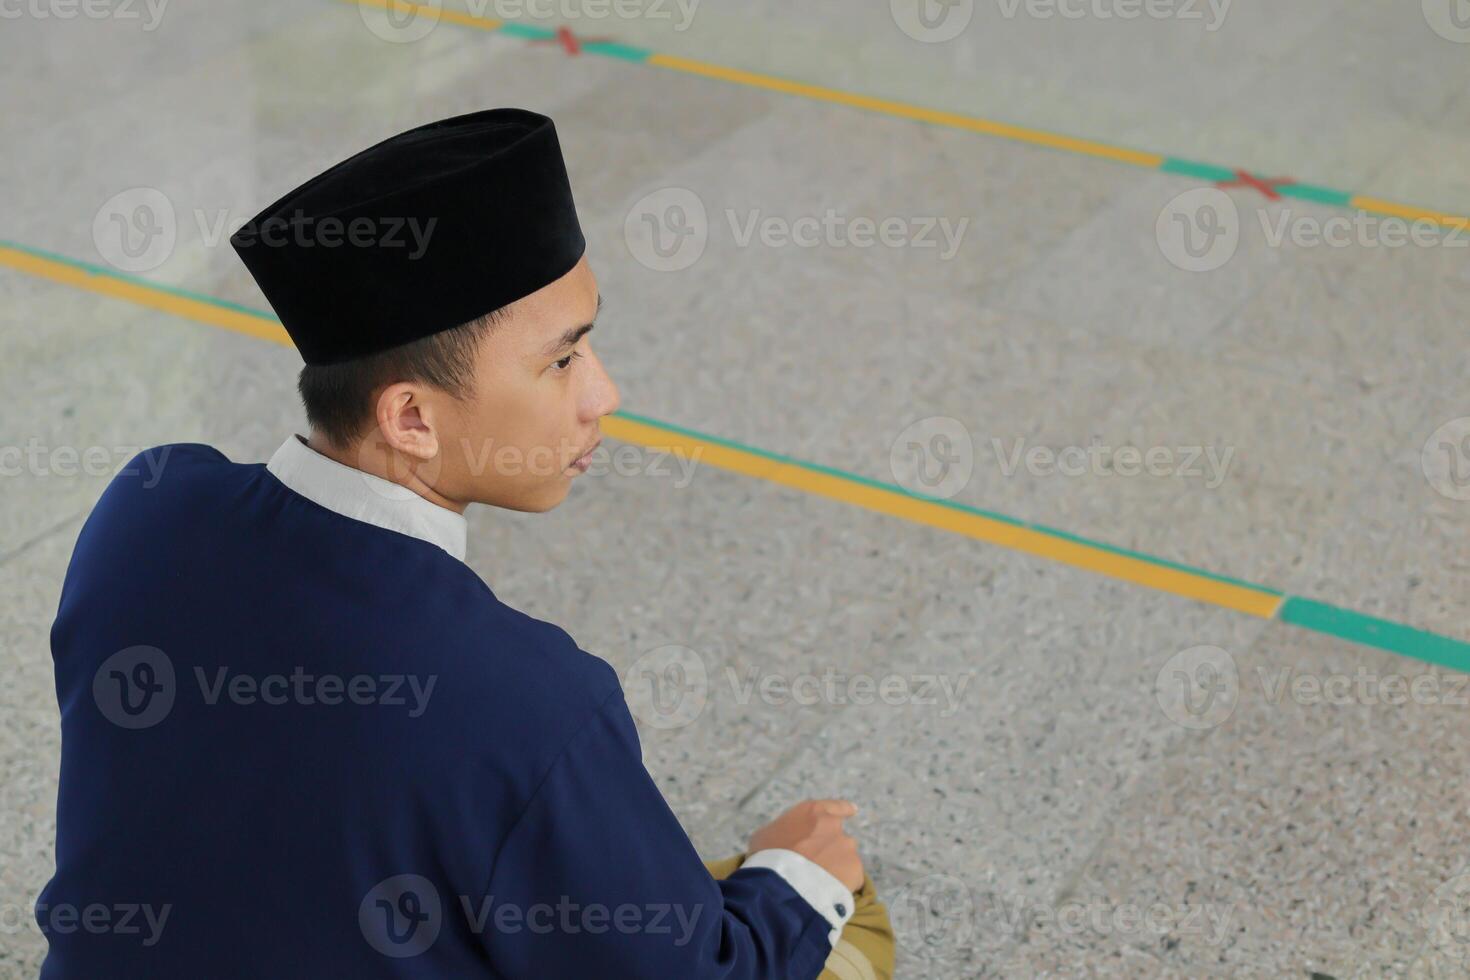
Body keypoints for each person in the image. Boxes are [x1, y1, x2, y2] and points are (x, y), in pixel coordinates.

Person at [37, 106, 895, 978]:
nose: (607, 393)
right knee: (836, 928)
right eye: (563, 360)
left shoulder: (143, 512)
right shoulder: (534, 706)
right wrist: (797, 877)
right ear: (410, 416)